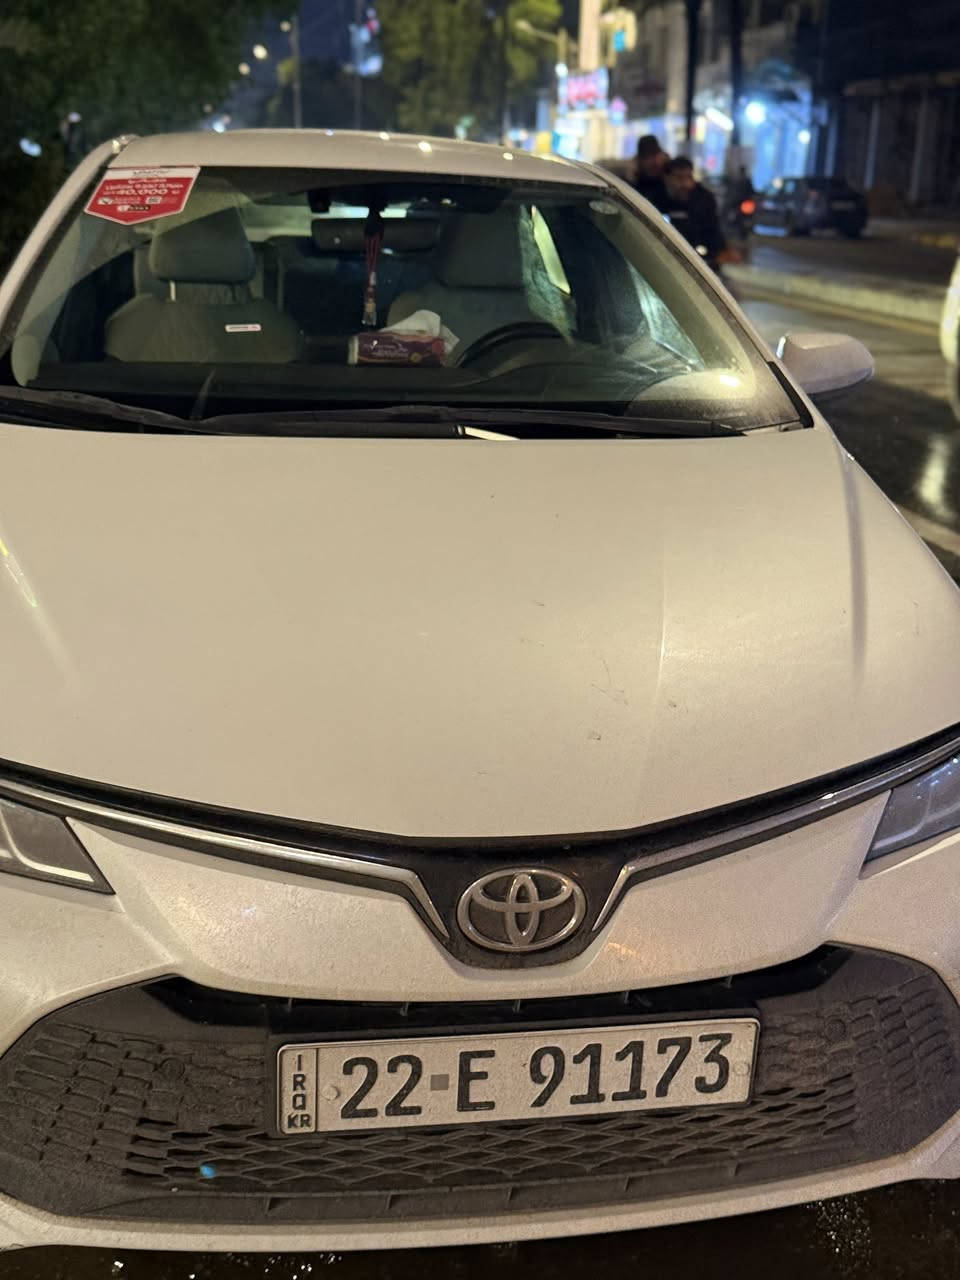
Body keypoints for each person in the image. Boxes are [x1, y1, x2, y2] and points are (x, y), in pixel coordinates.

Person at [660, 155, 738, 272]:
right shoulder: (658, 198)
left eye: (689, 177)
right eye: (679, 178)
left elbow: (712, 230)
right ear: (667, 178)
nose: (686, 184)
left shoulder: (704, 199)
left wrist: (721, 251)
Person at [632, 134, 669, 207]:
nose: (654, 162)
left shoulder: (670, 175)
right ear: (639, 160)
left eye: (655, 155)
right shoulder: (635, 181)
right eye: (647, 157)